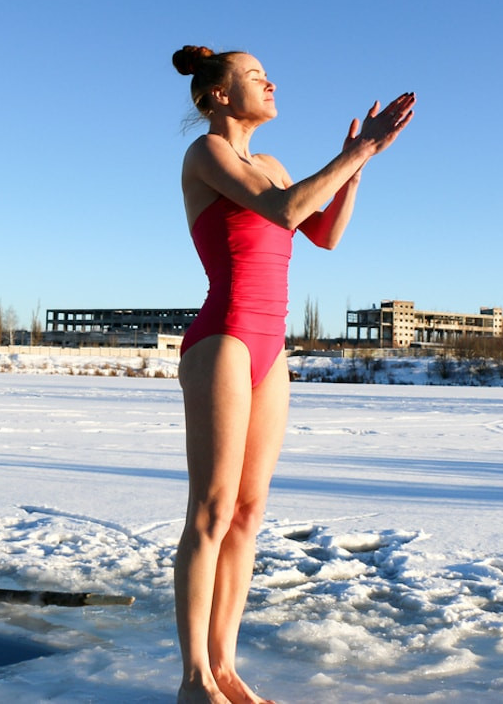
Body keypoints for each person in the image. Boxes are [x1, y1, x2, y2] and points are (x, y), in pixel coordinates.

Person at [171, 44, 416, 704]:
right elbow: (282, 212)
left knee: (248, 515)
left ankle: (224, 666)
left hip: (269, 348)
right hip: (221, 339)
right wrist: (353, 155)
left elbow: (324, 231)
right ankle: (194, 681)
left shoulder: (273, 163)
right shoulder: (208, 155)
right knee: (212, 511)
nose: (270, 82)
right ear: (218, 95)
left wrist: (360, 167)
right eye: (255, 76)